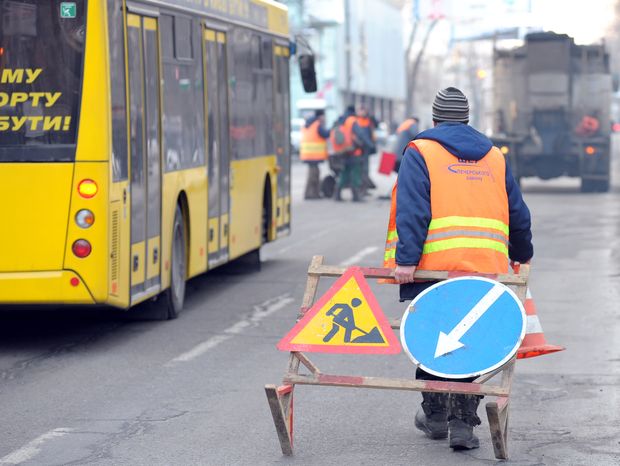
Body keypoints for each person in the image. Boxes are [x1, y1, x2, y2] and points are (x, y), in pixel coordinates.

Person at [385, 87, 533, 450]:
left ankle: (435, 416)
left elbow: (412, 209)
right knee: (473, 343)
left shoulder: (421, 151)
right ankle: (463, 426)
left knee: (433, 341)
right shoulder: (495, 156)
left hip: (435, 270)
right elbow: (517, 212)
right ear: (468, 119)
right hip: (487, 268)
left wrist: (406, 260)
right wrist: (522, 253)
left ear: (434, 120)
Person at [332, 105, 374, 202]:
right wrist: (369, 144)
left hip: (343, 151)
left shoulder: (341, 120)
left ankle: (337, 194)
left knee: (345, 172)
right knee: (356, 173)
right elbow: (360, 134)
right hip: (354, 151)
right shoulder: (352, 120)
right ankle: (356, 196)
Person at [300, 110, 329, 199]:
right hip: (313, 154)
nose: (324, 118)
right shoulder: (317, 124)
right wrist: (332, 130)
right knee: (313, 176)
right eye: (324, 116)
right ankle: (311, 194)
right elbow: (325, 134)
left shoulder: (308, 124)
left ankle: (311, 193)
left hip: (307, 153)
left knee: (313, 175)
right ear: (320, 116)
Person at [355, 106, 377, 191]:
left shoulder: (369, 120)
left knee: (365, 169)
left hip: (366, 149)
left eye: (364, 111)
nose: (362, 113)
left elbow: (376, 124)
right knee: (361, 169)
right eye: (361, 110)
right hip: (360, 147)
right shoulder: (357, 121)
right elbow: (361, 135)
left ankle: (364, 188)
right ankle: (361, 188)